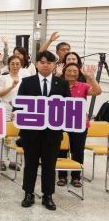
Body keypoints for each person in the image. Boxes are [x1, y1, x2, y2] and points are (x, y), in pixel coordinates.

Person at [19, 50, 71, 211]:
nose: (45, 65)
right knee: (30, 165)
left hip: (52, 134)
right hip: (31, 134)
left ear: (54, 65)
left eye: (49, 62)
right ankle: (28, 193)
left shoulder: (62, 84)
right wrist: (17, 113)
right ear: (36, 64)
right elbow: (19, 105)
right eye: (42, 62)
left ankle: (48, 195)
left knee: (49, 165)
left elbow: (68, 108)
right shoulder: (27, 82)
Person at [57, 63, 101, 188]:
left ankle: (76, 177)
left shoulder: (83, 85)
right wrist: (57, 75)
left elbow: (97, 91)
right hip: (61, 123)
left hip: (79, 123)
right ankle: (62, 176)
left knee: (78, 151)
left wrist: (91, 77)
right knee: (61, 150)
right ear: (64, 72)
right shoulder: (58, 84)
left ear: (79, 73)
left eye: (75, 71)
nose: (72, 73)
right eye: (69, 71)